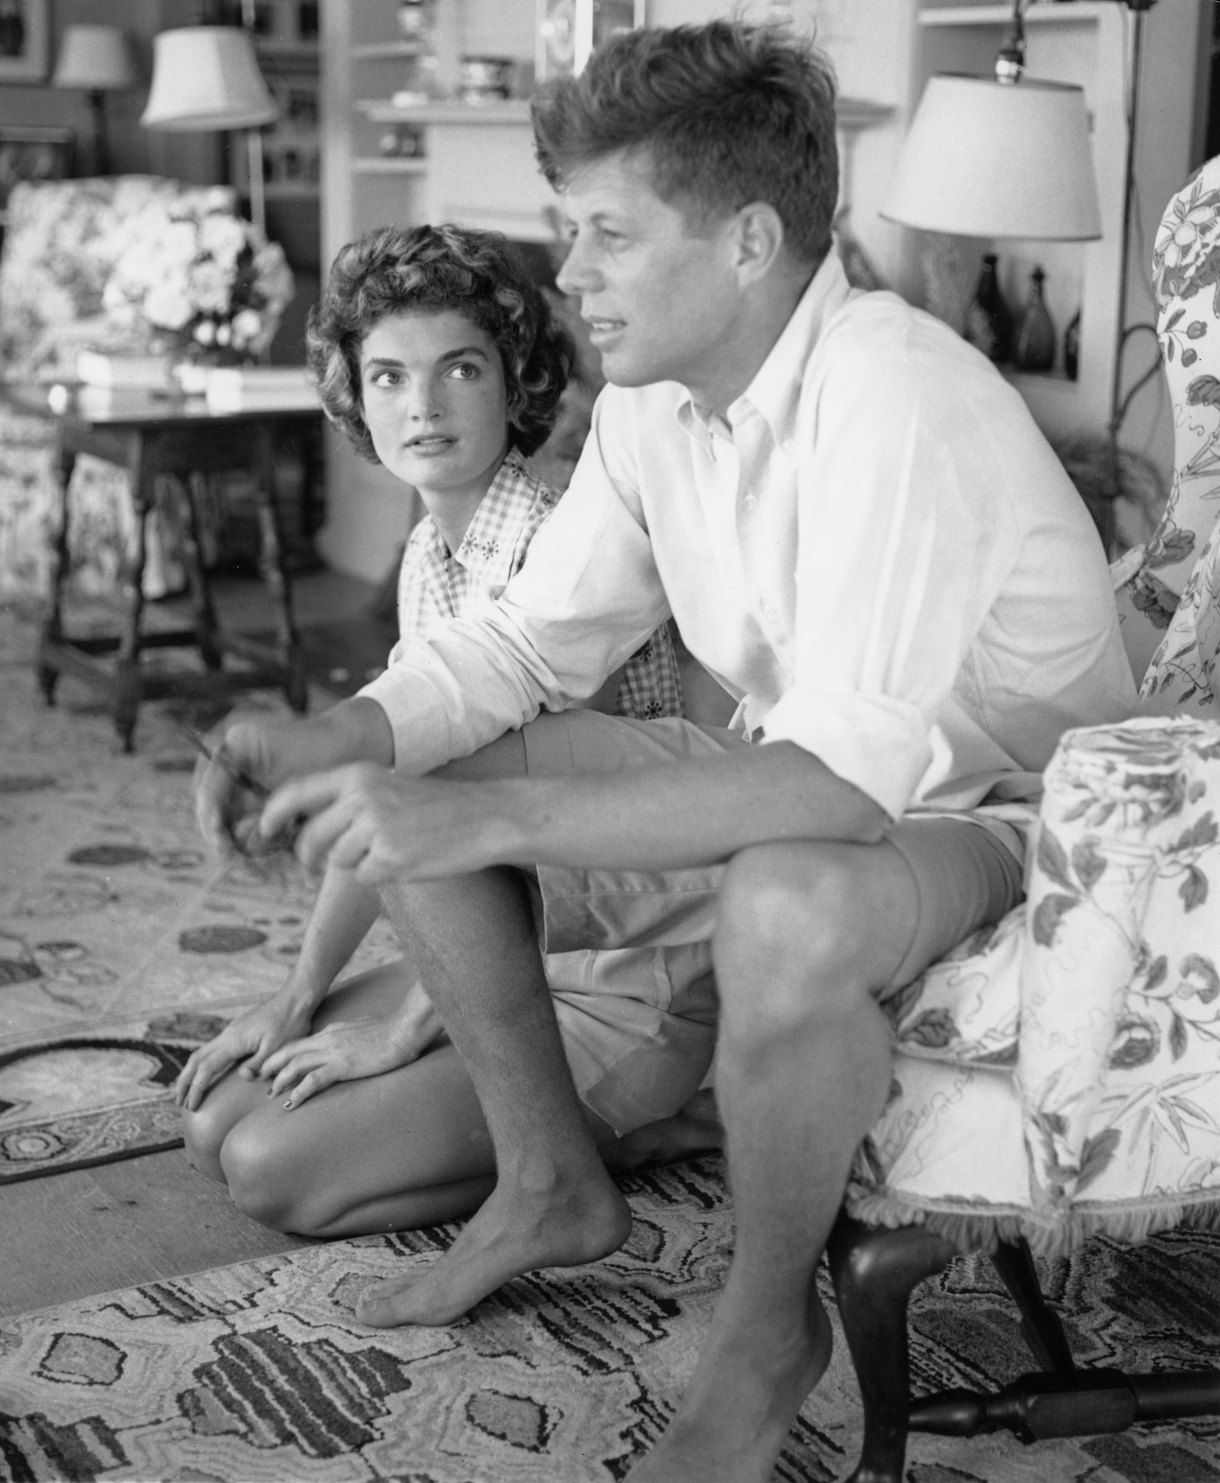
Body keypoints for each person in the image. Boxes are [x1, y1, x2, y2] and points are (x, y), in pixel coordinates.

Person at [194, 21, 1137, 1481]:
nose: (567, 276)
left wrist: (491, 826)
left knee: (787, 890)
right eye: (571, 233)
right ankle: (549, 1179)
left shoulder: (898, 394)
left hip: (1010, 820)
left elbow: (839, 787)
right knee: (441, 767)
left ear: (750, 238)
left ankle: (768, 1330)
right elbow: (521, 646)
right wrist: (330, 731)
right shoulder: (650, 405)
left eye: (606, 236)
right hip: (811, 779)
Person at [175, 221, 719, 1247]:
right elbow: (383, 787)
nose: (420, 406)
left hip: (623, 978)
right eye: (386, 377)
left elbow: (549, 852)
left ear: (513, 382)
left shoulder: (566, 550)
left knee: (268, 1172)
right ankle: (544, 1130)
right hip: (511, 963)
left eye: (457, 369)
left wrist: (399, 1031)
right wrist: (298, 996)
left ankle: (650, 1128)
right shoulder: (430, 554)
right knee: (212, 1119)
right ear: (354, 399)